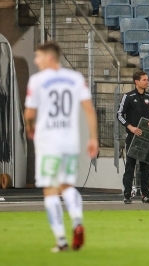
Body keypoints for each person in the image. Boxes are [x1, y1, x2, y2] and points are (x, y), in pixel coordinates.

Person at [24, 42, 99, 252]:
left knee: (50, 190)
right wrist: (93, 138)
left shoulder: (38, 80)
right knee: (67, 185)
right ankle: (77, 221)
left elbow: (29, 114)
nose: (36, 61)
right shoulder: (75, 78)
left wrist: (29, 128)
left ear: (49, 57)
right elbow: (89, 110)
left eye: (38, 57)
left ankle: (61, 240)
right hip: (70, 140)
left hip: (48, 140)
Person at [117, 71, 149, 204]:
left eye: (147, 79)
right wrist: (131, 128)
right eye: (144, 80)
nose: (147, 81)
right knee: (130, 166)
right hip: (132, 136)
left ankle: (145, 194)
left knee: (145, 167)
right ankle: (127, 194)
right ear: (137, 81)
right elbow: (119, 114)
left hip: (146, 136)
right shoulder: (128, 96)